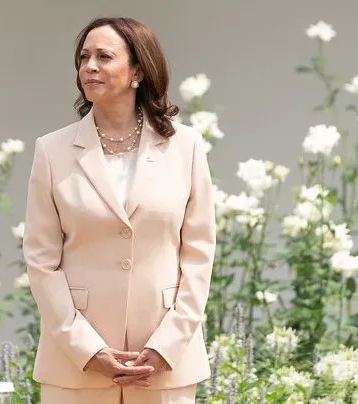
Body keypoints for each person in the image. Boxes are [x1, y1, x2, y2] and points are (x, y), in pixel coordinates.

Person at [22, 16, 216, 404]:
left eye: (104, 56)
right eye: (83, 57)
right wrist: (86, 348)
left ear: (138, 71)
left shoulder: (186, 147)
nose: (89, 67)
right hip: (74, 366)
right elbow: (41, 260)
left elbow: (199, 255)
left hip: (162, 365)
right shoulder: (52, 151)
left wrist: (167, 344)